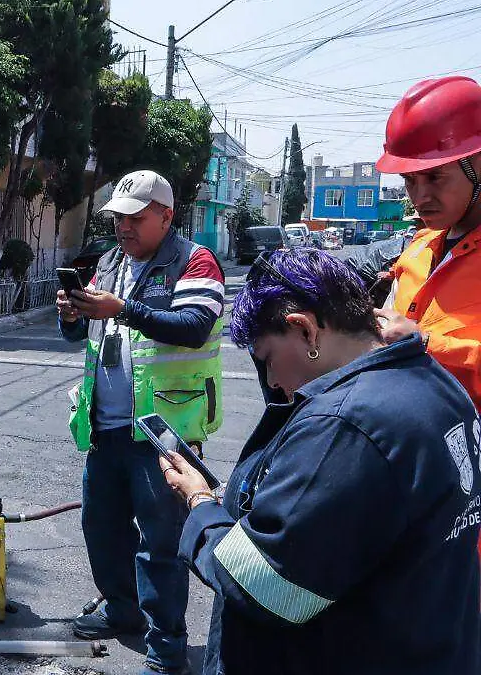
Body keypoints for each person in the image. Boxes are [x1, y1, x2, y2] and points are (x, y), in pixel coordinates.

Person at [161, 248, 481, 675]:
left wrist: (201, 507)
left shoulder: (346, 423)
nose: (272, 381)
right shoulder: (430, 376)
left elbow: (265, 585)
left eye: (268, 358)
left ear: (306, 330)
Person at [59, 170, 226, 675]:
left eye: (135, 217)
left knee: (162, 545)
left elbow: (196, 327)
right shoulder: (110, 263)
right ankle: (122, 610)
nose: (124, 228)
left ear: (166, 216)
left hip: (162, 435)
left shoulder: (193, 260)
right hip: (104, 426)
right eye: (118, 218)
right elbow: (79, 336)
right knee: (102, 528)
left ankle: (167, 648)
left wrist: (123, 309)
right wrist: (71, 314)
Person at [374, 75, 481, 411]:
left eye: (435, 177)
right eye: (409, 180)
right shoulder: (418, 248)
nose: (420, 197)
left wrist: (425, 343)